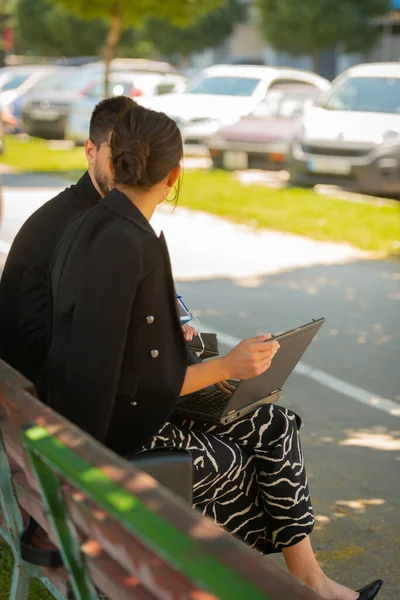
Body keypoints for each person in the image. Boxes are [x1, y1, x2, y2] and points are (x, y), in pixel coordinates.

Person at [41, 103, 381, 600]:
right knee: (236, 459)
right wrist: (227, 366)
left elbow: (112, 348)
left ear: (113, 164)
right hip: (106, 449)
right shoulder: (129, 244)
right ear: (175, 175)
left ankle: (311, 582)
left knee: (273, 424)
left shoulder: (93, 226)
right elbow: (111, 383)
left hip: (87, 431)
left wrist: (178, 349)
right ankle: (236, 586)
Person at [0, 96, 136, 384]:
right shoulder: (77, 223)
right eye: (117, 153)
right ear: (90, 150)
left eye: (135, 155)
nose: (127, 167)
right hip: (43, 395)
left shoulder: (103, 212)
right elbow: (51, 344)